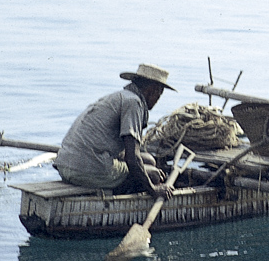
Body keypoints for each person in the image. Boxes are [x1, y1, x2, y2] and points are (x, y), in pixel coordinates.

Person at [53, 63, 177, 199]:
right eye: (159, 94)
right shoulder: (134, 104)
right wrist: (154, 190)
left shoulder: (120, 97)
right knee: (153, 175)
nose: (158, 99)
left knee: (149, 160)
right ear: (151, 90)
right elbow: (132, 158)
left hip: (65, 166)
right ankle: (119, 196)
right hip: (87, 171)